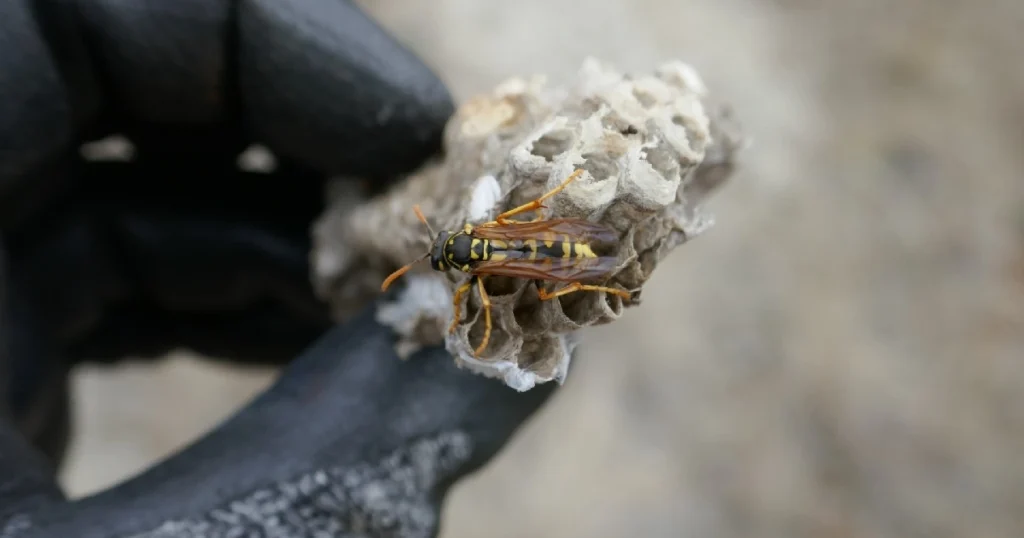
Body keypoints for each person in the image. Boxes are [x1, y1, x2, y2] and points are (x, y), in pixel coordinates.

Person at [0, 1, 557, 536]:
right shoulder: (477, 246)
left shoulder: (476, 246)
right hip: (540, 258)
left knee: (540, 250)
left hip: (546, 257)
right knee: (538, 250)